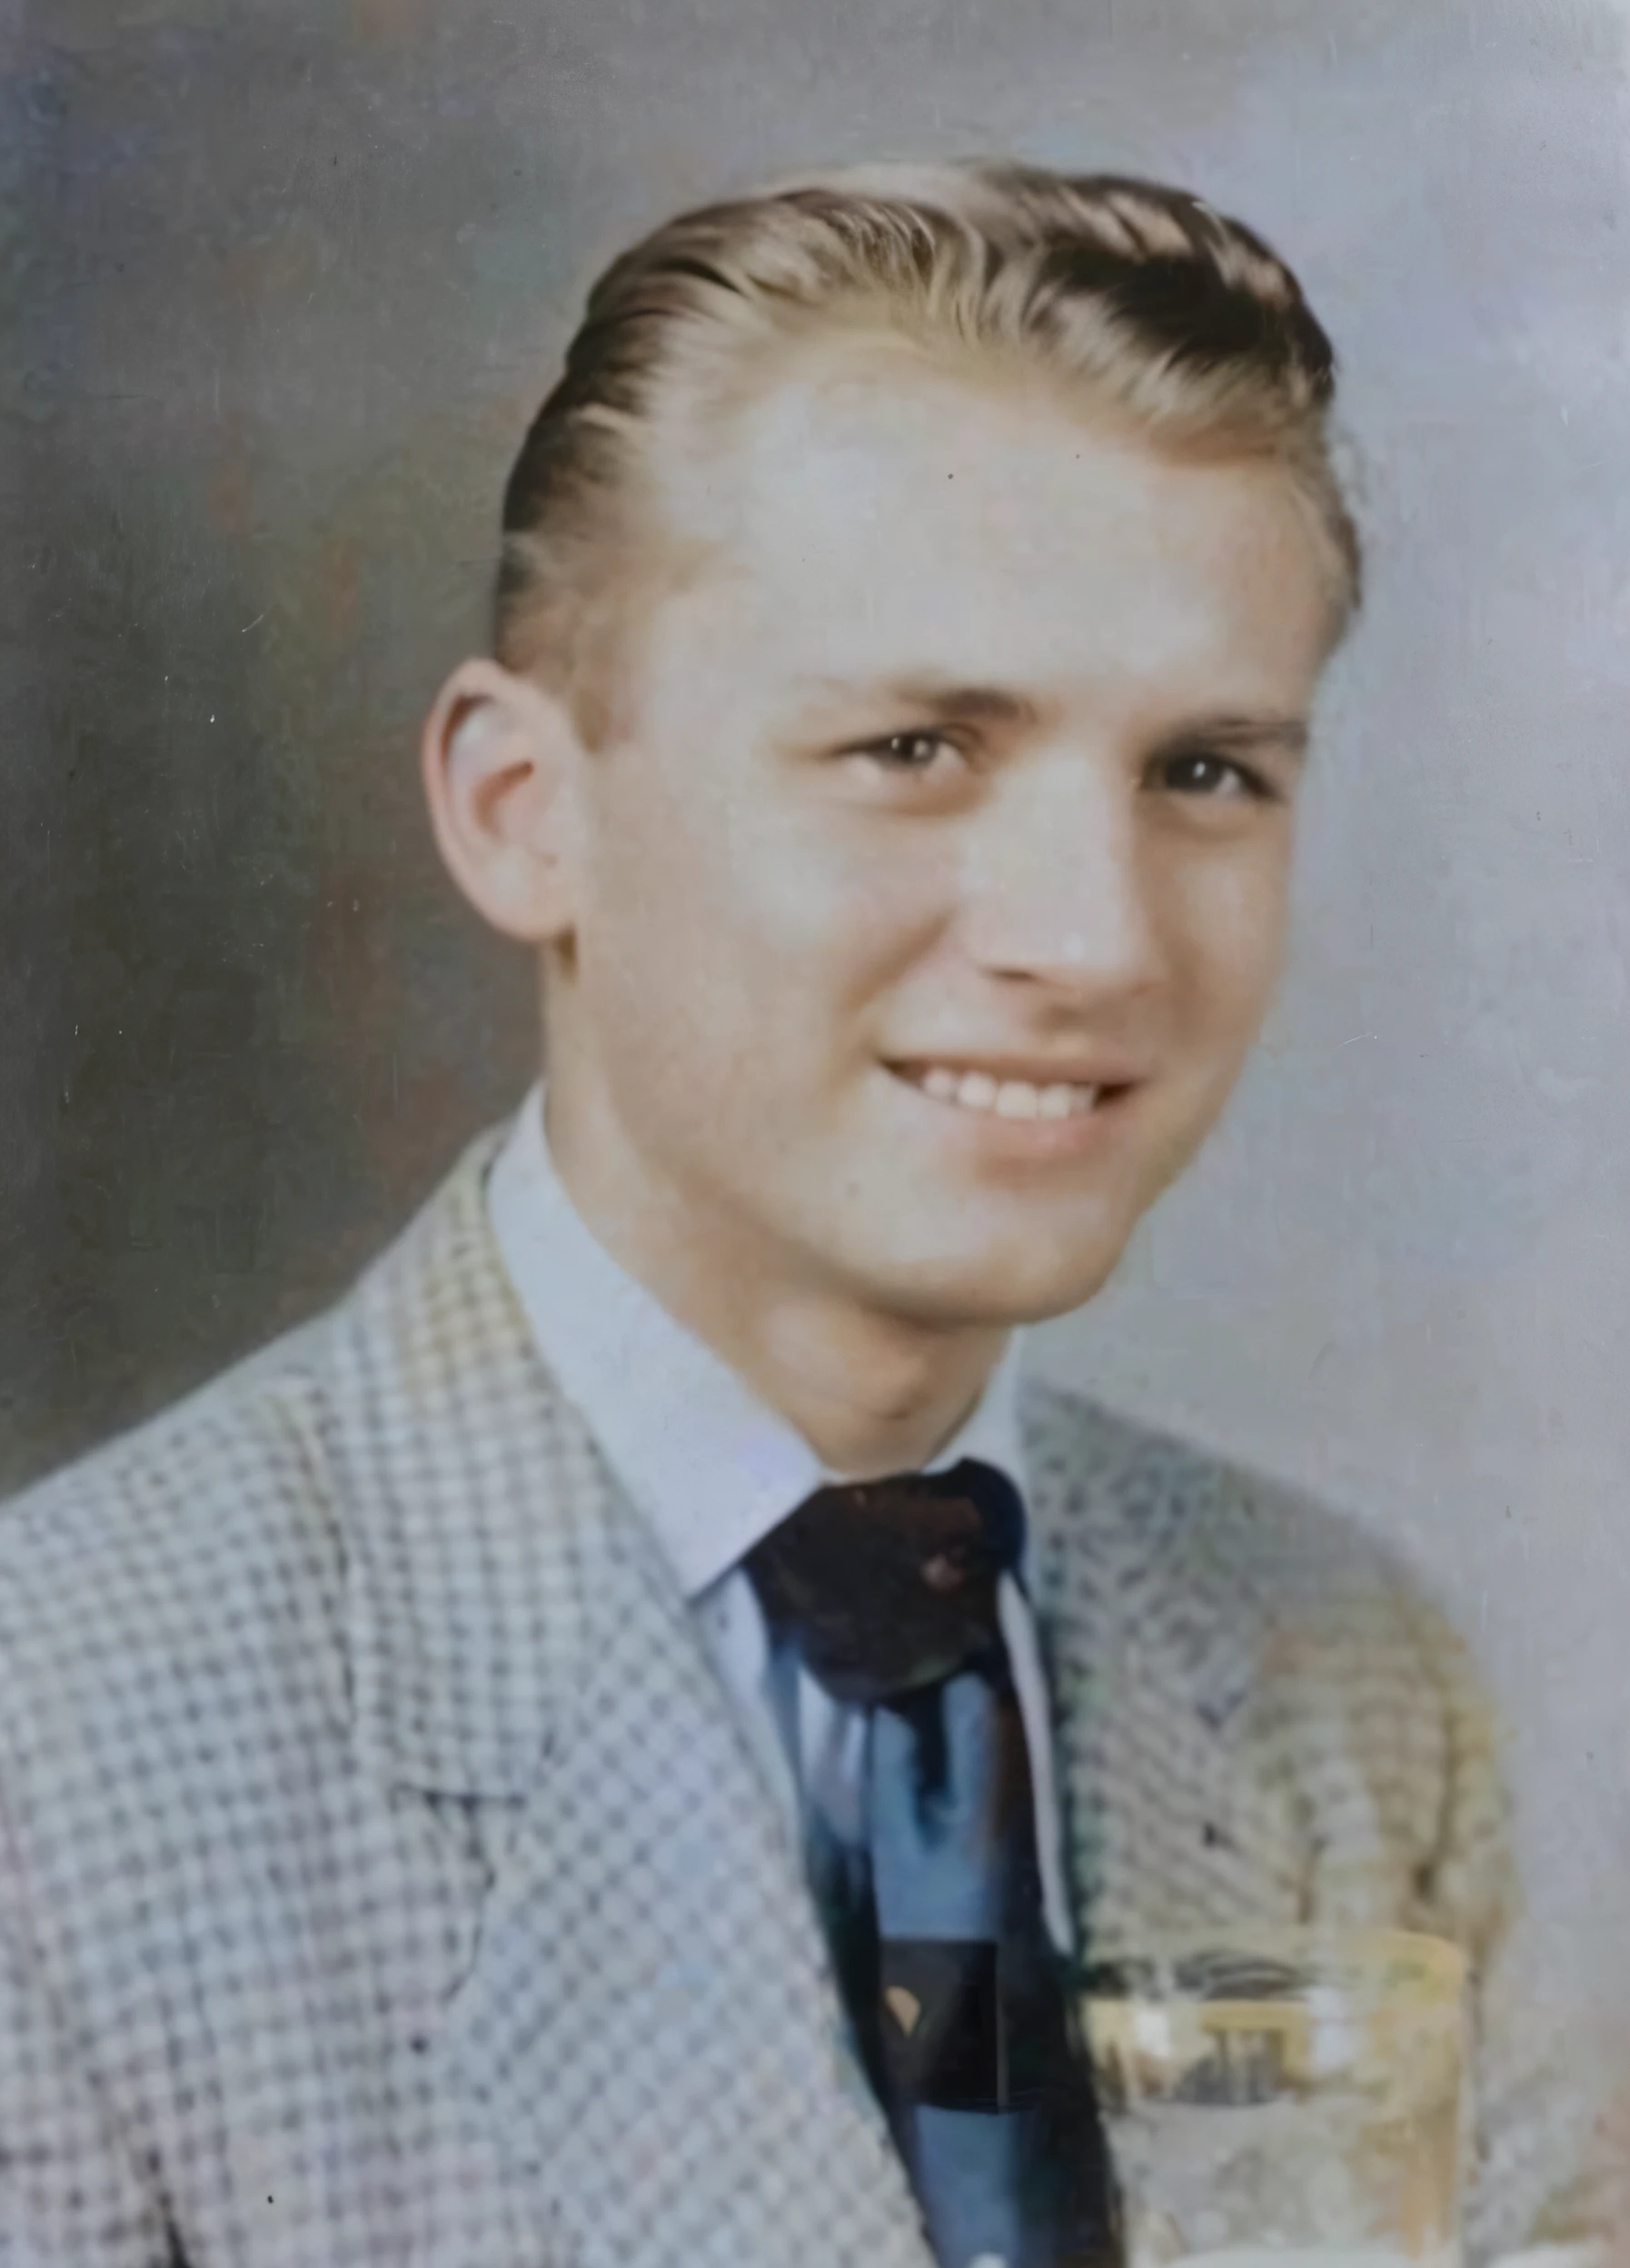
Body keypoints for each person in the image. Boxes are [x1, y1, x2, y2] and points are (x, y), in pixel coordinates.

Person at [0, 161, 1607, 2268]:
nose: (1095, 936)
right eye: (917, 746)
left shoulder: (1357, 1687)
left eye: (1206, 771)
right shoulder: (52, 1768)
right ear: (526, 811)